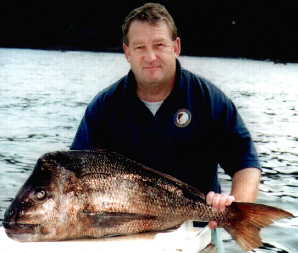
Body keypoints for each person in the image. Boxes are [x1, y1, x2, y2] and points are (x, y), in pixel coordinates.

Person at [70, 2, 261, 250]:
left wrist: (233, 207)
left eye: (159, 45)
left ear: (176, 47)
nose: (150, 57)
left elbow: (245, 162)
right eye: (140, 47)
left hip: (196, 236)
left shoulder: (209, 100)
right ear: (127, 52)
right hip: (122, 240)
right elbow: (73, 174)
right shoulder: (104, 107)